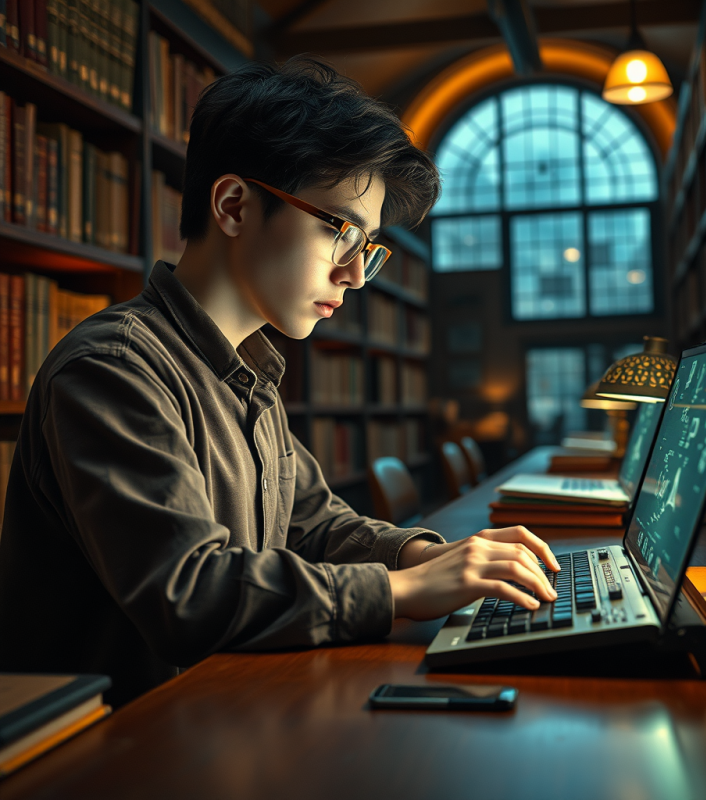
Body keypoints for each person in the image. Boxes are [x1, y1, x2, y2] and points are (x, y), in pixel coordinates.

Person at [0, 58, 559, 707]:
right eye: (341, 231)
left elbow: (315, 525)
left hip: (221, 711)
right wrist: (401, 593)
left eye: (369, 247)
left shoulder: (249, 371)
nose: (353, 274)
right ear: (235, 206)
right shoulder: (115, 368)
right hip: (116, 743)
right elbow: (191, 594)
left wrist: (429, 557)